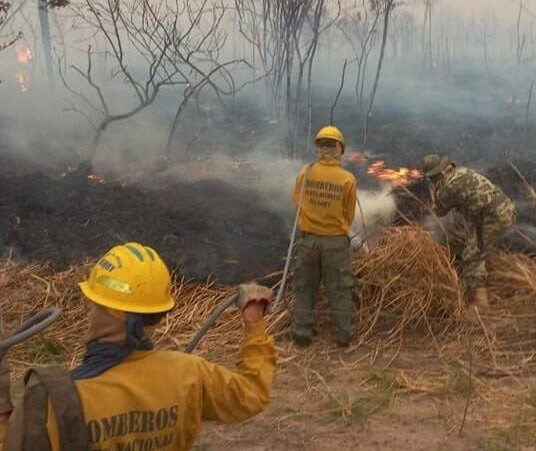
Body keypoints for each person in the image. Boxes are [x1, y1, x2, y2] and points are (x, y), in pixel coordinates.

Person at [0, 242, 276, 451]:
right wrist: (253, 322)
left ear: (98, 307)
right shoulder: (189, 374)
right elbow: (251, 394)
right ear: (155, 315)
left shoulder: (53, 401)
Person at [291, 126, 357, 348]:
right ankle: (343, 335)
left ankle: (302, 333)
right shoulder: (347, 179)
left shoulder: (305, 172)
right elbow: (349, 214)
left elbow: (297, 202)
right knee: (339, 289)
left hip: (308, 242)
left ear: (318, 147)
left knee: (305, 287)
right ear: (340, 149)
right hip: (335, 244)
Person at [422, 155, 516, 310]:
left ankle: (480, 304)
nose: (432, 181)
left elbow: (439, 212)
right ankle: (468, 285)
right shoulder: (461, 171)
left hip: (492, 218)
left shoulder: (448, 187)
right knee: (459, 242)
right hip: (504, 210)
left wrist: (433, 194)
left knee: (472, 255)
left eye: (432, 178)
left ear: (438, 174)